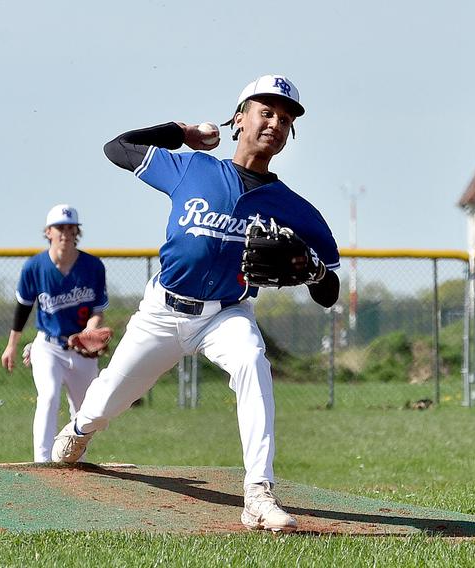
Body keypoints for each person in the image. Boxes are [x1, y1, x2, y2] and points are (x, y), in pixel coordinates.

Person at [52, 75, 340, 532]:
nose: (276, 124)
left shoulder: (293, 208)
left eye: (285, 119)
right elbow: (117, 147)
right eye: (266, 112)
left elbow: (330, 292)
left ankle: (258, 493)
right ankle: (80, 430)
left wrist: (314, 271)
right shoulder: (192, 168)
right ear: (239, 118)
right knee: (104, 405)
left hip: (226, 314)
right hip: (162, 313)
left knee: (252, 359)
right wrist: (180, 133)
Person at [1, 204, 109, 463]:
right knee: (48, 397)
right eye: (59, 228)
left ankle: (76, 459)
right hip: (48, 345)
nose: (65, 233)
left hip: (81, 349)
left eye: (70, 228)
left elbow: (97, 310)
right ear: (48, 232)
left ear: (77, 233)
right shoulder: (35, 267)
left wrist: (90, 331)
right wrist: (12, 345)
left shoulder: (93, 266)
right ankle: (42, 461)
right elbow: (23, 309)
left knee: (85, 411)